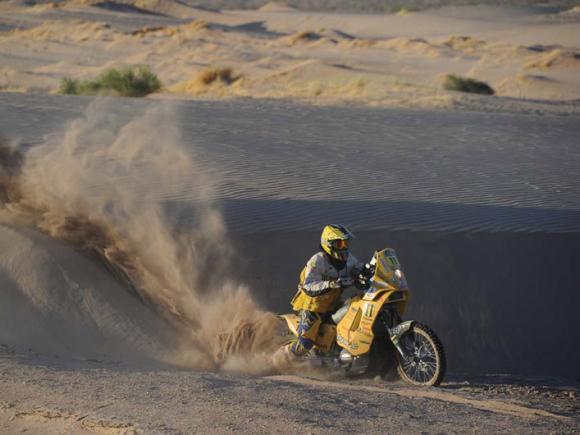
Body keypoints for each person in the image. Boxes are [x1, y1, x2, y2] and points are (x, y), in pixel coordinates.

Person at [286, 224, 363, 356]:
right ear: (329, 244)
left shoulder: (348, 258)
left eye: (345, 243)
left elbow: (358, 266)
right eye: (339, 244)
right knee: (305, 344)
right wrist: (330, 284)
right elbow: (308, 285)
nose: (344, 247)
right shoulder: (318, 261)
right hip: (312, 307)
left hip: (333, 304)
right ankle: (279, 356)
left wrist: (365, 271)